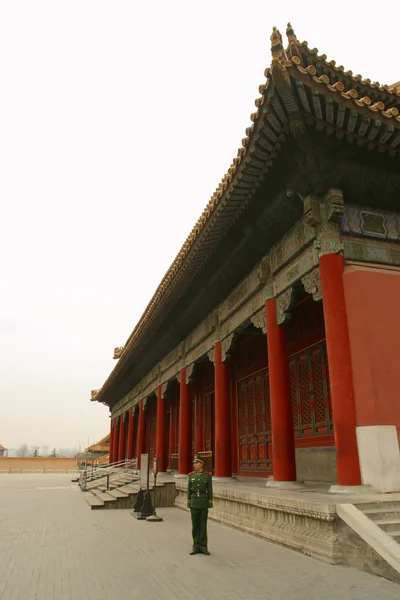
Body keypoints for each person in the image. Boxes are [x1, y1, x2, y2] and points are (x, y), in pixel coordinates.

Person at [187, 455, 213, 555]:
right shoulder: (191, 475)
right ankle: (195, 546)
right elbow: (189, 490)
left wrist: (210, 503)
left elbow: (209, 490)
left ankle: (203, 546)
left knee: (203, 525)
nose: (194, 465)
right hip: (194, 502)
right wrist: (189, 502)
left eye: (196, 463)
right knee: (195, 526)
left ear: (201, 464)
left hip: (203, 502)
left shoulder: (207, 476)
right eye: (194, 463)